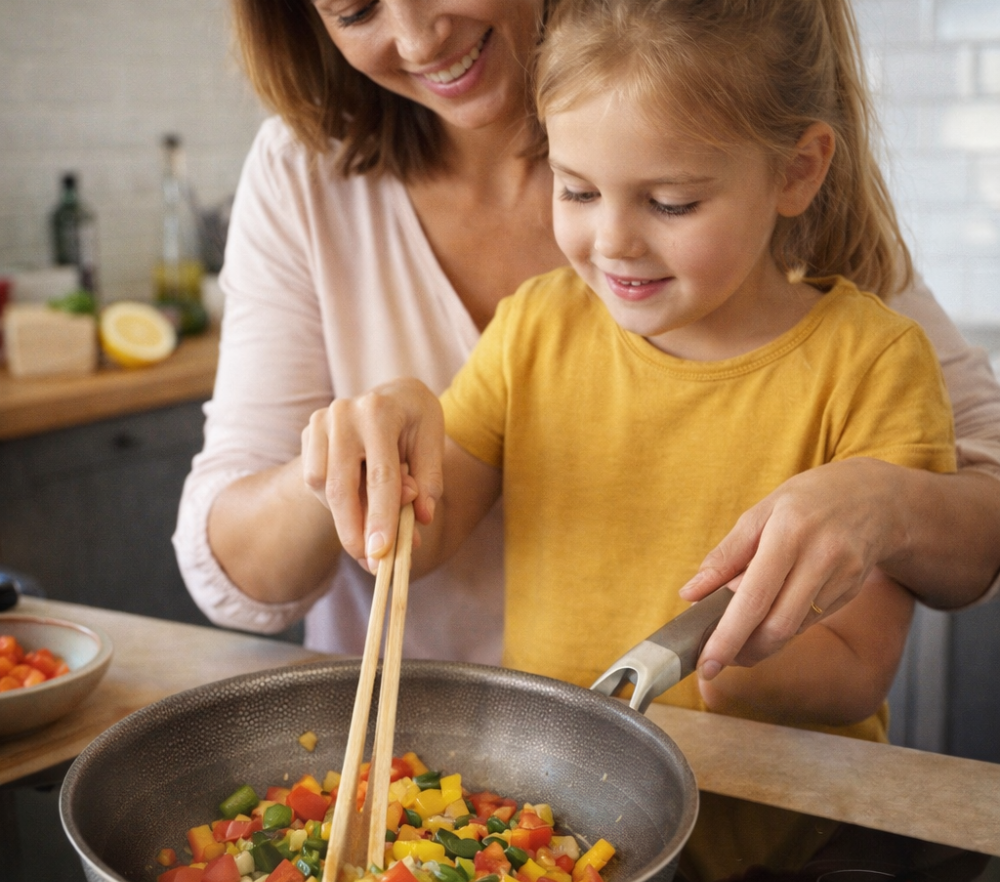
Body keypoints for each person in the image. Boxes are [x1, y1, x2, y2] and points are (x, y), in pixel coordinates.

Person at [174, 0, 1000, 677]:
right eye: (355, 9)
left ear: (794, 175)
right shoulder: (529, 318)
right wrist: (363, 461)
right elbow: (331, 550)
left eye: (671, 203)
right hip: (492, 782)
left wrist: (889, 507)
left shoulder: (859, 335)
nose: (613, 245)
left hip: (760, 824)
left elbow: (873, 637)